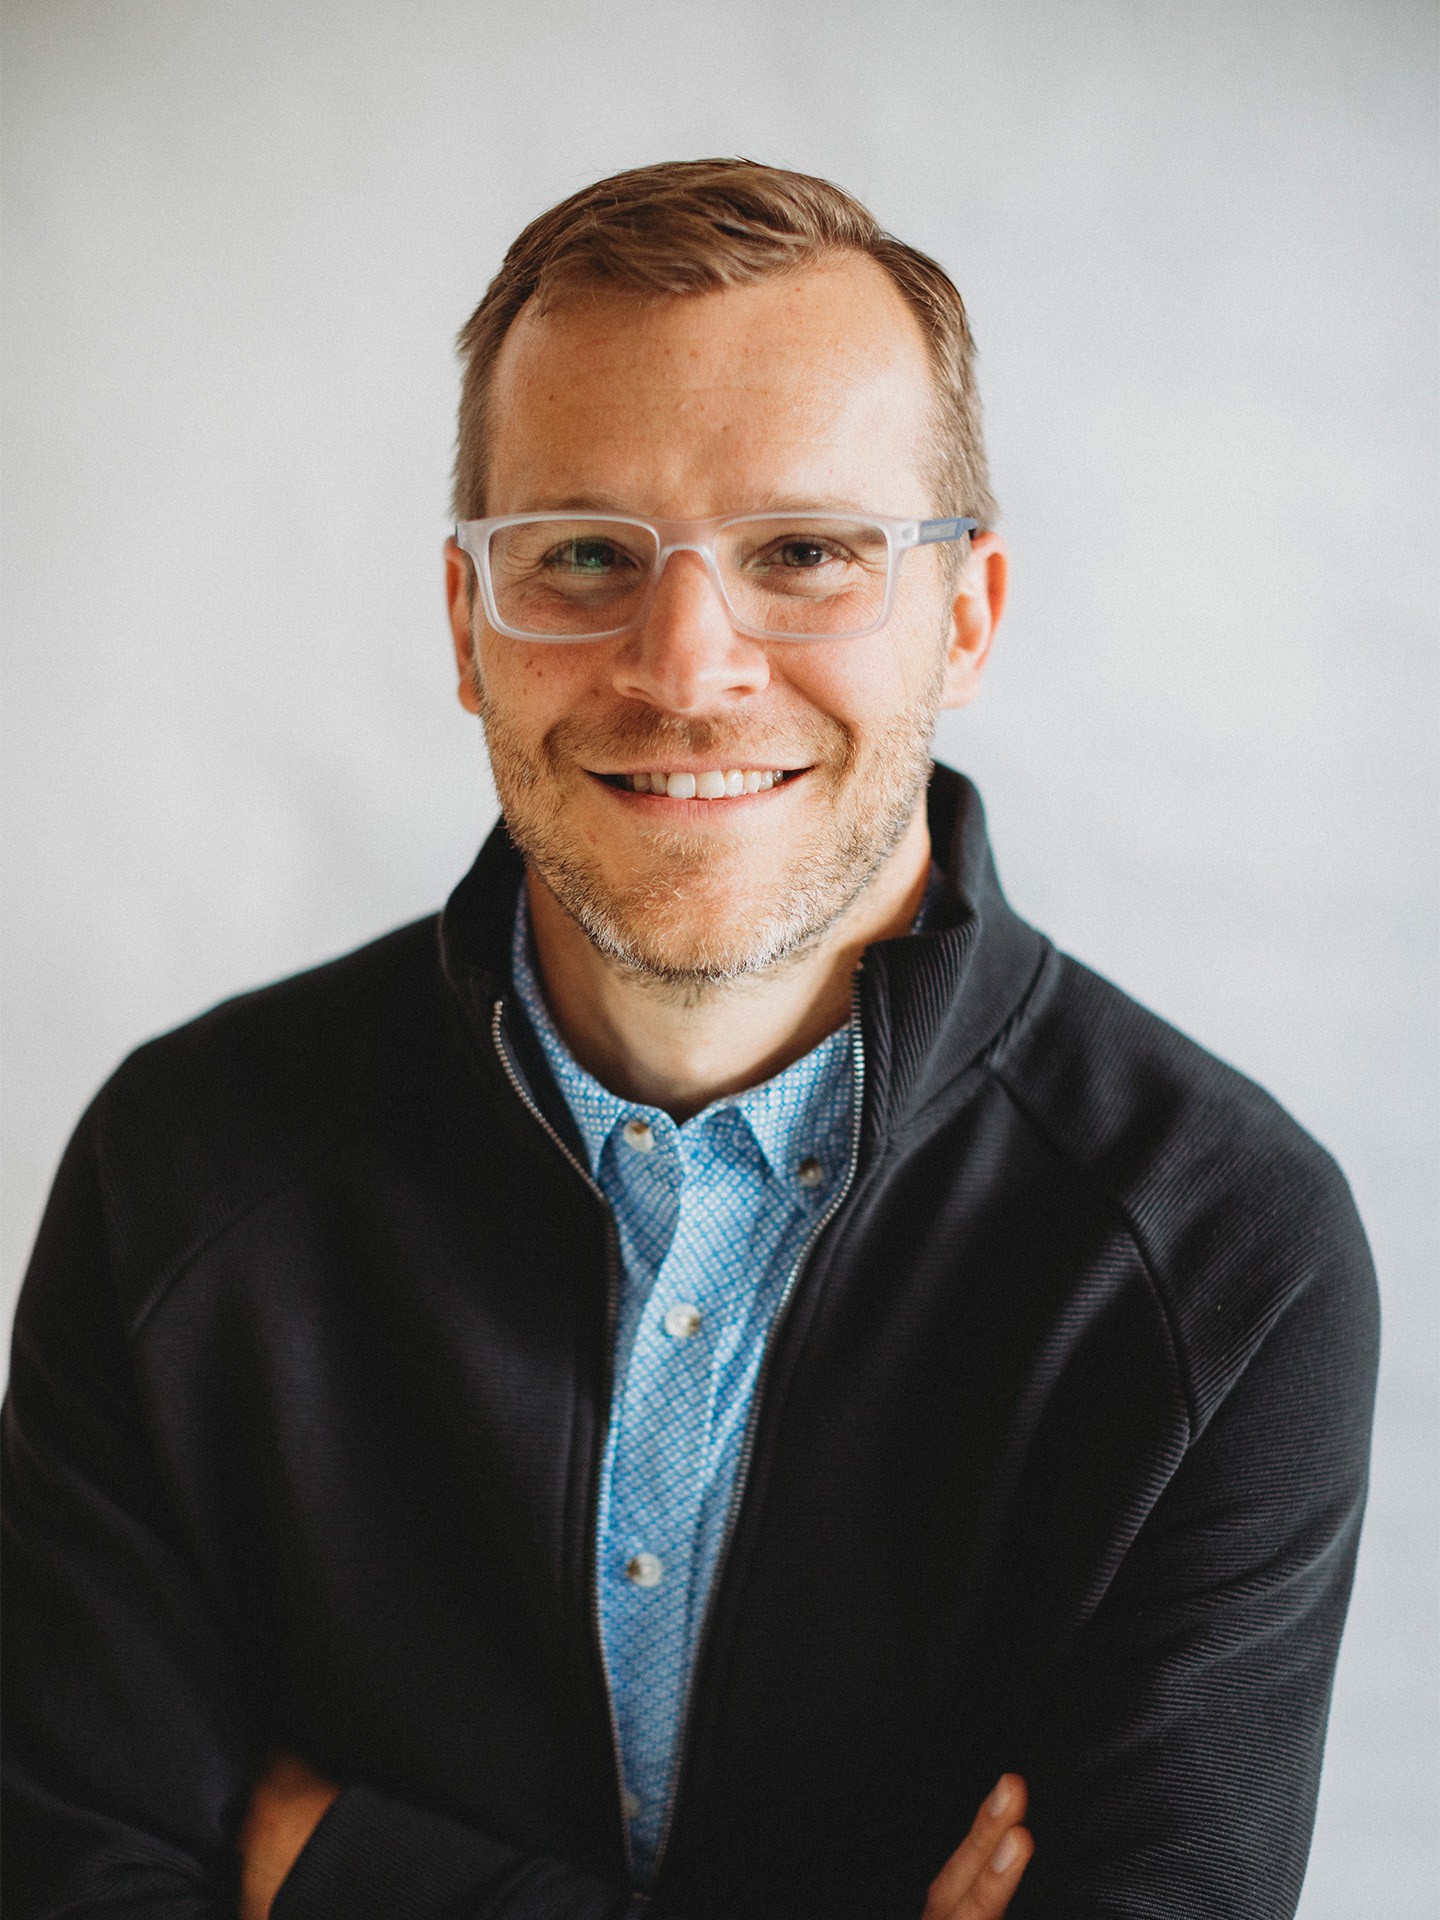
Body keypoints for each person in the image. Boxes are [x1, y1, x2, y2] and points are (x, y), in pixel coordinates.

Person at [3, 159, 1378, 1920]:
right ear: (465, 625)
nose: (686, 663)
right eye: (580, 555)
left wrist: (348, 1872)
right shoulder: (180, 1169)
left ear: (964, 616)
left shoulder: (1220, 1255)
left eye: (805, 552)